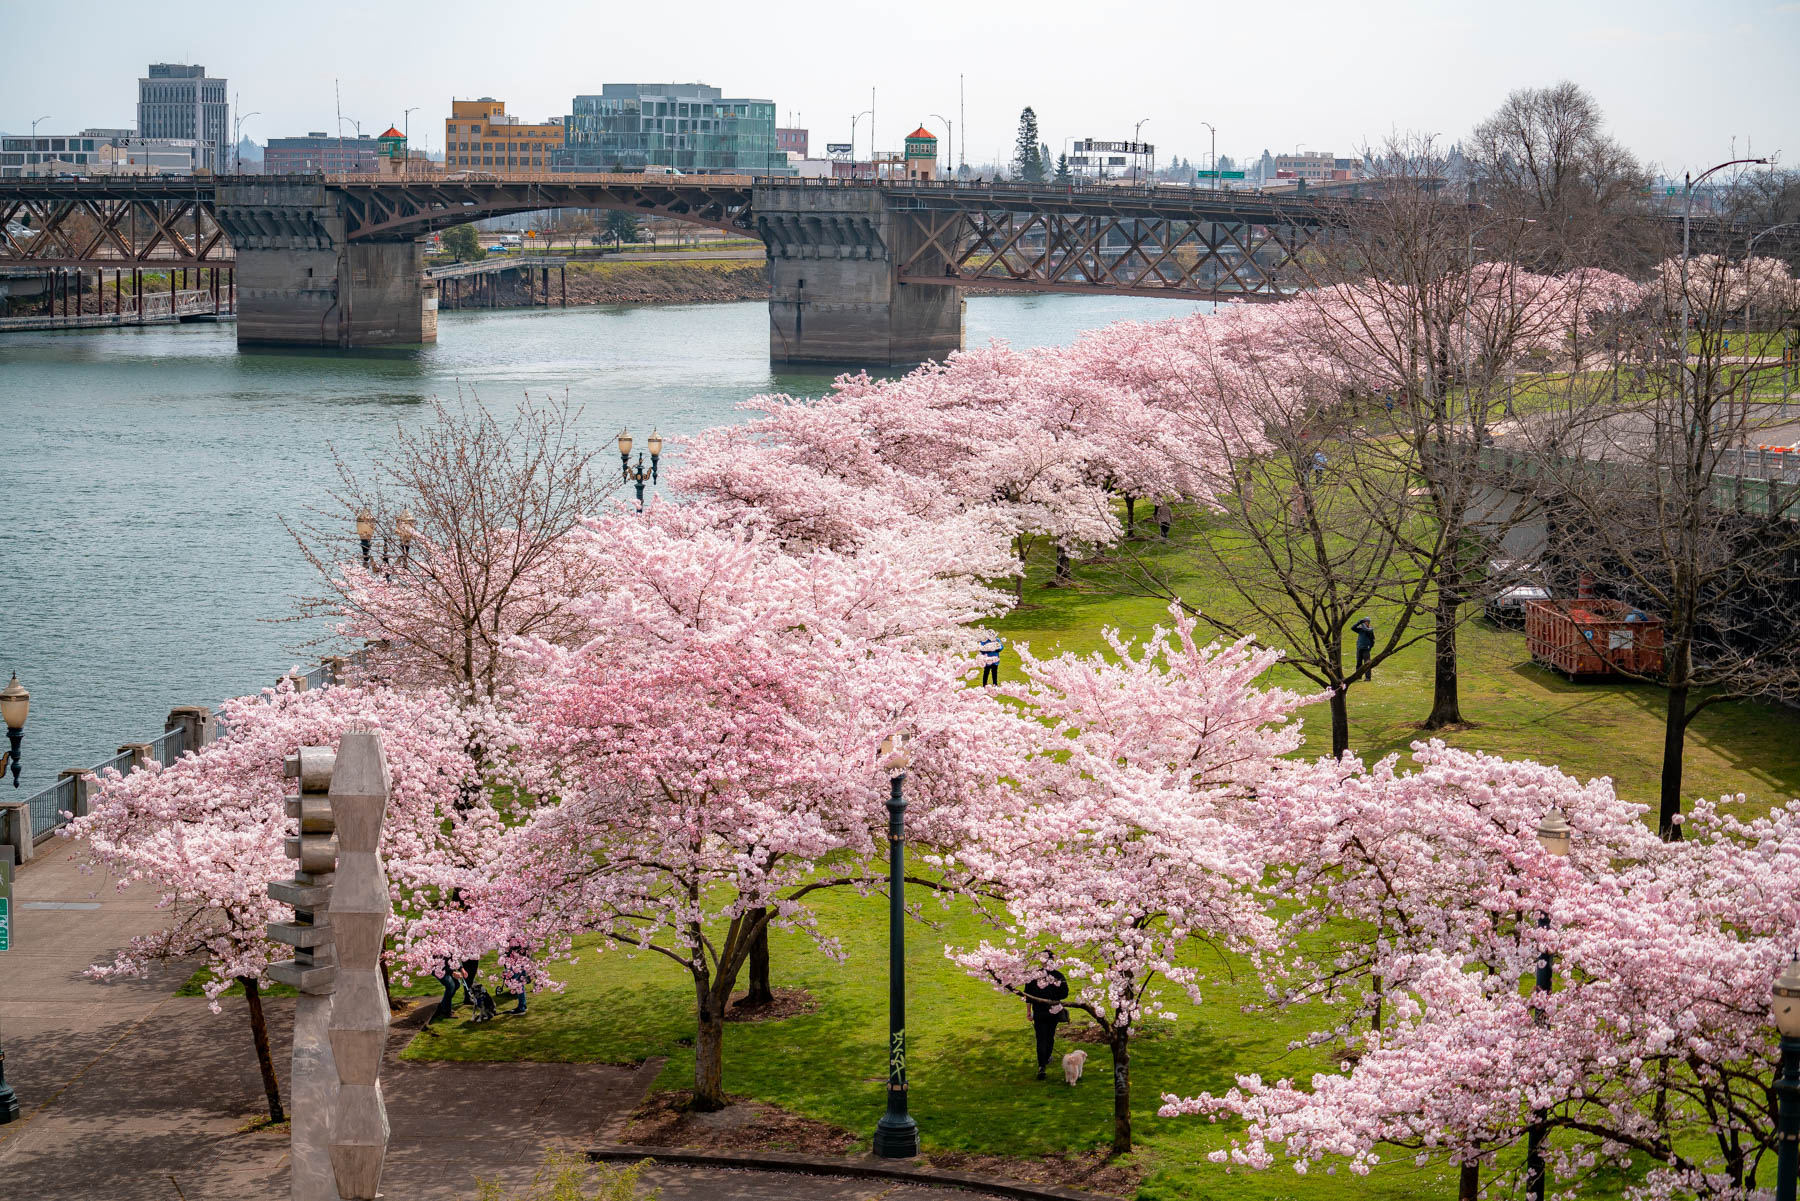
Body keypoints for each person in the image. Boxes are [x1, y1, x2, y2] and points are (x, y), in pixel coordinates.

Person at [1024, 962, 1070, 1080]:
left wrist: (1029, 1012)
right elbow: (1065, 993)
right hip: (1053, 1010)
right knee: (1050, 1036)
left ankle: (1041, 1066)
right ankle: (1047, 1056)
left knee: (1041, 1039)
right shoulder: (1058, 975)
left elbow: (1027, 996)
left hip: (1039, 1012)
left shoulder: (1033, 976)